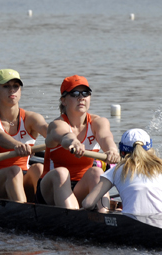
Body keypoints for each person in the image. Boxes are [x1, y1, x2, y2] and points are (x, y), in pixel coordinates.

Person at [37, 75, 120, 209]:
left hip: (81, 187)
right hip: (51, 188)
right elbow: (65, 135)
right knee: (61, 172)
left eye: (85, 93)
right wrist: (74, 142)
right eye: (75, 93)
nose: (81, 97)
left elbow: (106, 138)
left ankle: (104, 218)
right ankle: (74, 218)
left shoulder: (98, 122)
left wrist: (112, 150)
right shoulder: (57, 124)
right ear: (64, 100)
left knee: (97, 172)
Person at [82, 128, 162, 215]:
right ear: (150, 150)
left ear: (122, 152)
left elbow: (87, 203)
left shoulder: (117, 170)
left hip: (132, 224)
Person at [0, 69, 47, 203]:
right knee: (14, 171)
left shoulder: (31, 118)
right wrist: (17, 145)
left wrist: (66, 139)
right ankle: (23, 212)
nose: (12, 90)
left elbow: (48, 131)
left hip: (23, 175)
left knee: (39, 167)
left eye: (16, 86)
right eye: (6, 86)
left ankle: (49, 210)